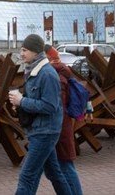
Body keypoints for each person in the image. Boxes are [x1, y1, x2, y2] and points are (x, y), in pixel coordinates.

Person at [9, 34, 71, 195]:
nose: (21, 53)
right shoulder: (34, 70)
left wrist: (22, 102)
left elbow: (50, 106)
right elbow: (38, 102)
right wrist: (20, 105)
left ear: (36, 52)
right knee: (53, 173)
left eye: (25, 50)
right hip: (40, 129)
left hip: (45, 132)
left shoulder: (47, 74)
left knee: (27, 176)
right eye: (21, 50)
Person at [44, 45, 83, 195]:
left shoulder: (57, 76)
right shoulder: (60, 72)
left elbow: (54, 106)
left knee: (65, 166)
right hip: (60, 127)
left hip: (59, 127)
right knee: (59, 168)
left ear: (47, 57)